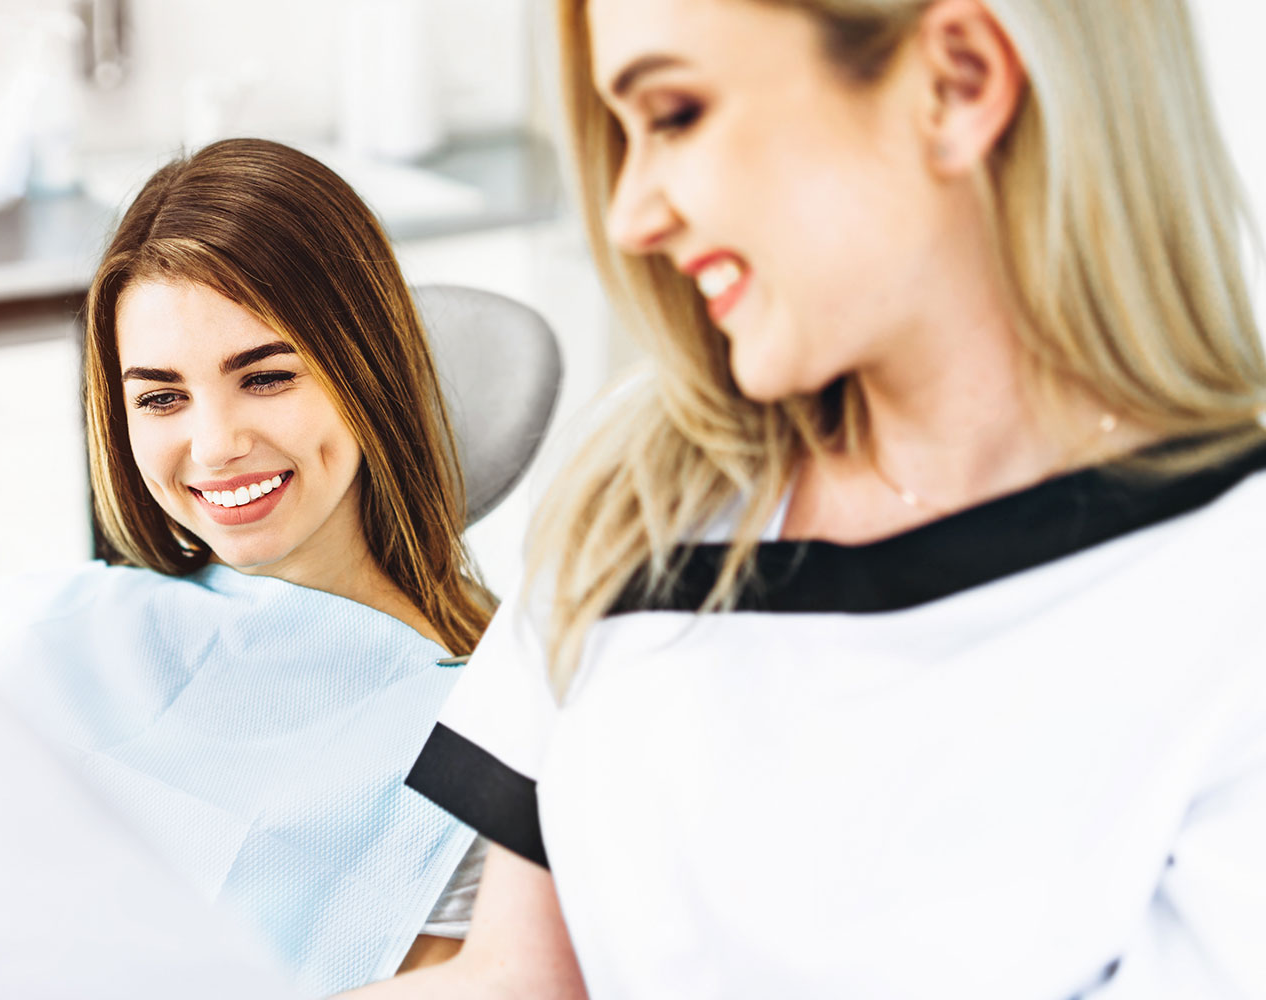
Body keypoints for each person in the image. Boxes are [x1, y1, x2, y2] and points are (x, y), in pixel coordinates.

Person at [356, 1, 1266, 997]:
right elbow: (516, 981)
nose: (628, 215)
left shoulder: (1225, 592)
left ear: (956, 82)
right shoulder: (636, 492)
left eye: (674, 113)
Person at [0, 137, 498, 1000]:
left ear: (365, 365)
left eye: (266, 378)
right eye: (162, 398)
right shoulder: (42, 632)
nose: (215, 445)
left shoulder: (476, 742)